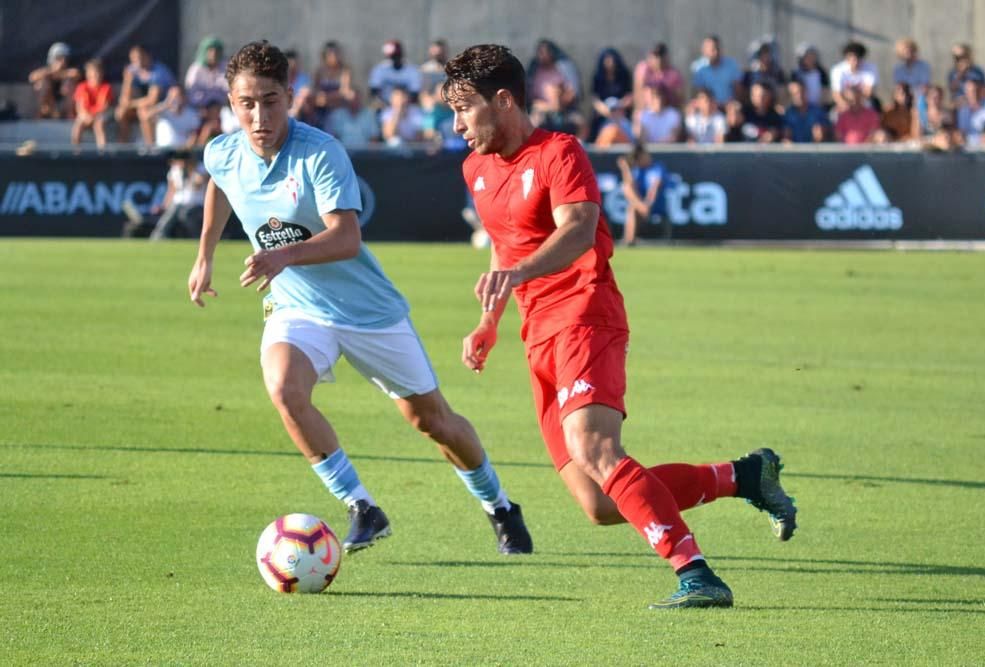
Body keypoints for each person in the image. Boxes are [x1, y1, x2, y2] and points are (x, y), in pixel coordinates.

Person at [443, 43, 797, 609]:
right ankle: (744, 477)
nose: (456, 124)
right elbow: (504, 251)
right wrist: (488, 321)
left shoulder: (559, 152)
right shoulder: (475, 168)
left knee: (595, 447)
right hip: (537, 335)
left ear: (504, 100)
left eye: (464, 108)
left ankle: (697, 573)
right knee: (600, 502)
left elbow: (578, 230)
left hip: (586, 311)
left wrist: (517, 273)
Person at [188, 41, 532, 556]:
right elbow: (219, 184)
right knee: (284, 388)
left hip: (368, 311)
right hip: (297, 307)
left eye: (271, 101)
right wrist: (205, 256)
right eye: (246, 103)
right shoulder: (224, 151)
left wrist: (283, 256)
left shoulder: (319, 151)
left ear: (290, 96)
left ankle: (499, 505)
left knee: (433, 422)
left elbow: (346, 238)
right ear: (231, 103)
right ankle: (361, 508)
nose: (259, 116)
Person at [116, 45, 177, 144]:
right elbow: (124, 99)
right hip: (141, 104)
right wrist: (127, 81)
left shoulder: (159, 72)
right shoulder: (132, 71)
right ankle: (121, 146)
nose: (137, 61)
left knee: (144, 112)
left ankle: (150, 148)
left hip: (166, 105)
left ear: (147, 56)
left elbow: (152, 100)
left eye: (139, 57)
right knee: (121, 112)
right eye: (133, 59)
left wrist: (130, 104)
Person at [616, 143, 667, 245]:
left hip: (655, 206)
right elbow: (629, 185)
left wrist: (648, 204)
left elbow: (654, 188)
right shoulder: (637, 171)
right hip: (641, 205)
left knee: (632, 206)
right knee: (627, 192)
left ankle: (628, 240)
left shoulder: (657, 167)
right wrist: (625, 168)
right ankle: (630, 240)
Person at [29, 42, 80, 119]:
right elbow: (32, 77)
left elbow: (76, 74)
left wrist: (59, 74)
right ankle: (38, 116)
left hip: (63, 106)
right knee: (42, 84)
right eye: (59, 58)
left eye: (65, 58)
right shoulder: (47, 72)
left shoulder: (69, 72)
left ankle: (70, 115)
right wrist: (53, 71)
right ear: (52, 58)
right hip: (49, 108)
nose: (63, 61)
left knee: (69, 83)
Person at [71, 59, 113, 149]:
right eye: (93, 73)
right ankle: (76, 151)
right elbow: (79, 106)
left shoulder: (106, 87)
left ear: (102, 74)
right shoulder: (81, 87)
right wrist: (85, 115)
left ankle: (102, 152)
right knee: (78, 125)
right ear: (87, 74)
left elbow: (105, 106)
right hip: (85, 115)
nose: (95, 76)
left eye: (98, 73)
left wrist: (93, 116)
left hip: (100, 115)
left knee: (99, 125)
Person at [690, 35, 743, 105]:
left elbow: (738, 89)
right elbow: (697, 91)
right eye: (712, 49)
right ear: (704, 50)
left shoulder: (731, 65)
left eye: (717, 48)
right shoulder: (698, 68)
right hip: (708, 109)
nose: (716, 52)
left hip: (728, 107)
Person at [782, 79, 828, 143]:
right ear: (791, 96)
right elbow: (786, 136)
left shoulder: (818, 111)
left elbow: (822, 135)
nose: (799, 96)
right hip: (794, 151)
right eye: (795, 94)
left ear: (806, 92)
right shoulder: (788, 114)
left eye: (802, 92)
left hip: (814, 150)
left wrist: (820, 136)